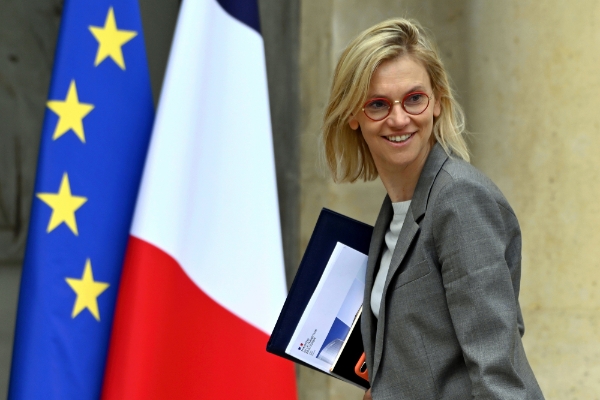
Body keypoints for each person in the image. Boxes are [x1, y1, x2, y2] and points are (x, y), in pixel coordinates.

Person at [322, 18, 544, 399]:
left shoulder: (459, 199)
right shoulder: (395, 212)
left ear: (438, 100)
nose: (398, 118)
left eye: (414, 98)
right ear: (353, 116)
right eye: (377, 104)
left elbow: (498, 371)